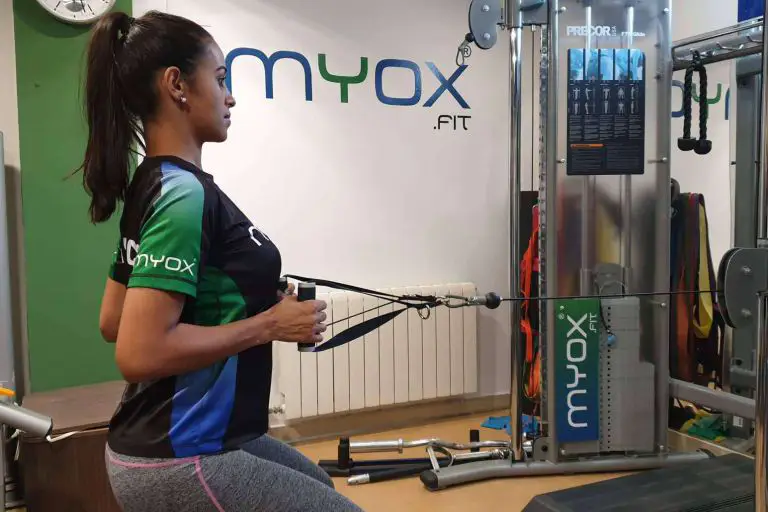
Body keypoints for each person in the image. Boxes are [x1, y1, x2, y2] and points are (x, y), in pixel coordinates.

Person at [77, 9, 364, 512]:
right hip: (180, 454)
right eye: (221, 78)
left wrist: (250, 301)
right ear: (177, 85)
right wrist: (269, 324)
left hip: (176, 441)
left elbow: (113, 319)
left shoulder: (156, 182)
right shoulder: (181, 196)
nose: (230, 96)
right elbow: (138, 351)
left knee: (319, 482)